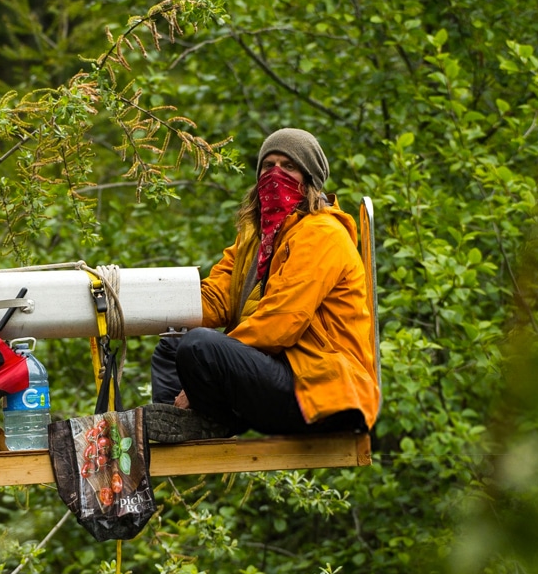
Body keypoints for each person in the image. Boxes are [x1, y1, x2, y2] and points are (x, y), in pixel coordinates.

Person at [145, 128, 380, 442]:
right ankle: (180, 424)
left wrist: (202, 380)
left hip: (317, 389)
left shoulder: (322, 233)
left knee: (199, 346)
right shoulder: (256, 238)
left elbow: (281, 322)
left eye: (289, 166)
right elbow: (216, 299)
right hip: (279, 376)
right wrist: (139, 306)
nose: (276, 174)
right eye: (268, 165)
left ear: (309, 179)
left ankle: (205, 416)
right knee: (173, 344)